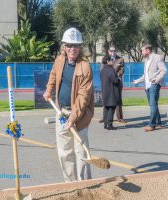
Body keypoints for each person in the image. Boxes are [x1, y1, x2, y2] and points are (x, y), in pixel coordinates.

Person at [43, 27, 94, 182]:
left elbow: (83, 97)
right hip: (61, 113)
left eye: (76, 45)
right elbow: (53, 75)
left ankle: (84, 184)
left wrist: (73, 118)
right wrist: (48, 90)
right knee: (64, 152)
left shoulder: (85, 67)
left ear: (80, 47)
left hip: (80, 115)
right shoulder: (59, 60)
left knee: (81, 152)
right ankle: (70, 184)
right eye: (69, 45)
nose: (73, 49)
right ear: (64, 46)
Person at [132, 44, 167, 132]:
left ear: (148, 50)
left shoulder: (157, 57)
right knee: (154, 104)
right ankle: (158, 123)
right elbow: (146, 75)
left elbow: (164, 70)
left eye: (142, 50)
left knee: (152, 105)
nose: (142, 52)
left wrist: (157, 80)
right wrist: (138, 81)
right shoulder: (146, 60)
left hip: (154, 84)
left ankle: (152, 124)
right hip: (147, 85)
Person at [99, 46, 126, 123]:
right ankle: (105, 118)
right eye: (111, 51)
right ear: (108, 51)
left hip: (116, 82)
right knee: (106, 99)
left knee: (118, 100)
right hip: (107, 83)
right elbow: (102, 70)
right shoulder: (105, 59)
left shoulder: (120, 59)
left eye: (114, 51)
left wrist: (115, 76)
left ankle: (120, 118)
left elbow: (122, 71)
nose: (112, 52)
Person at [100, 55, 121, 130]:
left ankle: (105, 124)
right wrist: (118, 78)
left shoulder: (102, 70)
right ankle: (110, 124)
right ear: (108, 61)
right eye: (112, 60)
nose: (113, 61)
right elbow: (114, 80)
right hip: (111, 92)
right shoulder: (110, 69)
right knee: (111, 108)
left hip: (105, 91)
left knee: (106, 108)